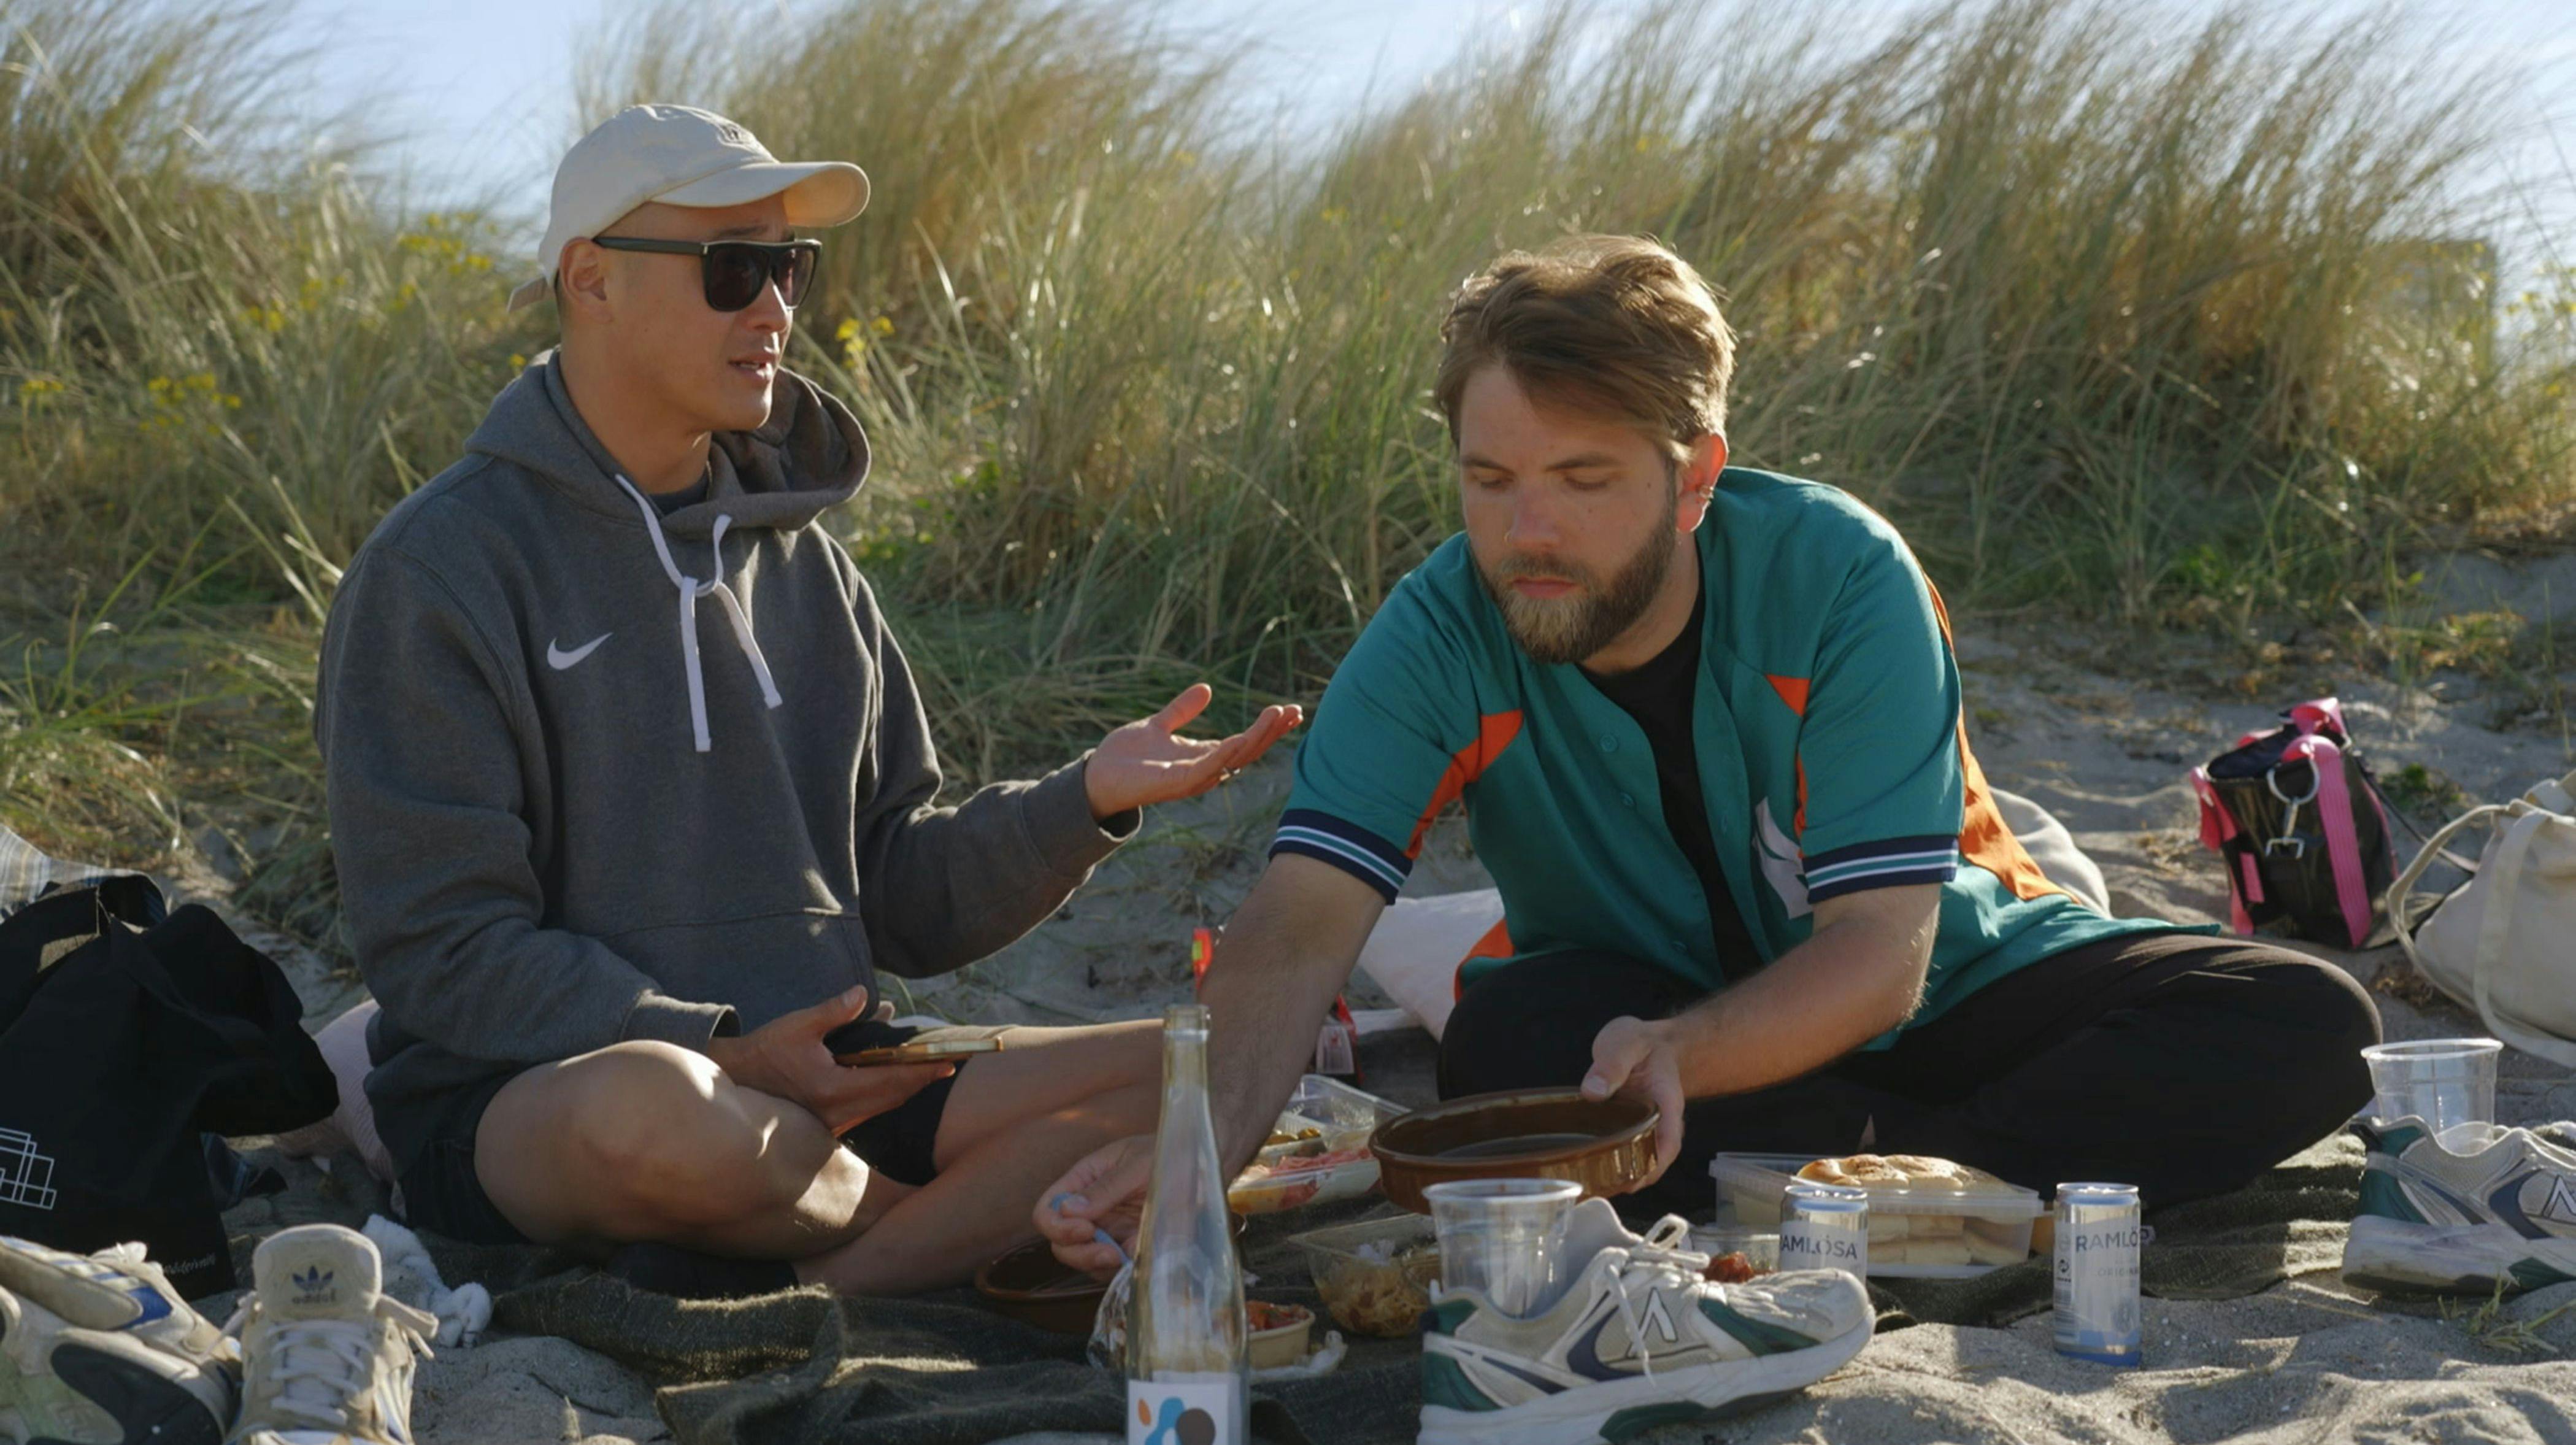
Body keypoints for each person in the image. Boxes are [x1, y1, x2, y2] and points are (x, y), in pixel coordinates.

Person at [1042, 234, 2380, 1270]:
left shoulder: (1840, 574)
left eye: (1583, 478)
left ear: (1695, 476)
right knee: (1507, 1045)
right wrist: (1194, 1151)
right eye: (1489, 479)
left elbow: (1880, 958)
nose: (1528, 533)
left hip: (1932, 989)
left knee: (2313, 1023)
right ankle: (1928, 1194)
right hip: (1632, 1021)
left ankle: (1887, 1179)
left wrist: (1698, 1053)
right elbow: (1299, 925)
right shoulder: (1441, 623)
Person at [316, 105, 1298, 1298]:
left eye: (788, 268)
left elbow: (900, 894)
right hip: (558, 1098)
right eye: (734, 269)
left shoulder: (808, 560)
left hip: (836, 1083)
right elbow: (445, 950)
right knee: (653, 1112)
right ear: (592, 280)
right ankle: (922, 1246)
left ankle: (850, 1266)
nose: (777, 310)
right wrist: (717, 1042)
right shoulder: (442, 566)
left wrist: (1082, 800)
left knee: (1218, 1064)